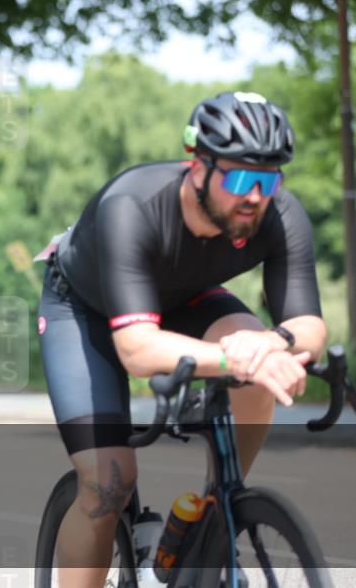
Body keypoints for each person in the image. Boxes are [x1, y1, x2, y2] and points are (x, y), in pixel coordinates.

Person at [36, 92, 325, 587]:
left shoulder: (279, 214)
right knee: (108, 483)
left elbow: (309, 326)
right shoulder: (132, 204)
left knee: (258, 362)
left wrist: (271, 345)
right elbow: (139, 350)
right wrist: (235, 357)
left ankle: (217, 512)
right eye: (238, 177)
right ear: (197, 167)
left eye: (267, 179)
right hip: (83, 309)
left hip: (185, 299)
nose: (254, 195)